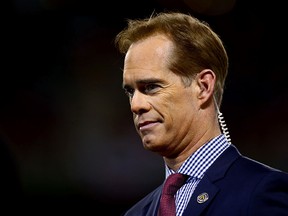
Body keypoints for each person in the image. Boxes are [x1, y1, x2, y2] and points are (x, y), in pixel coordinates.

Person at [114, 11, 288, 216]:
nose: (135, 105)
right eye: (130, 91)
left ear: (203, 87)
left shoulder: (263, 191)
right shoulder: (136, 214)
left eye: (151, 87)